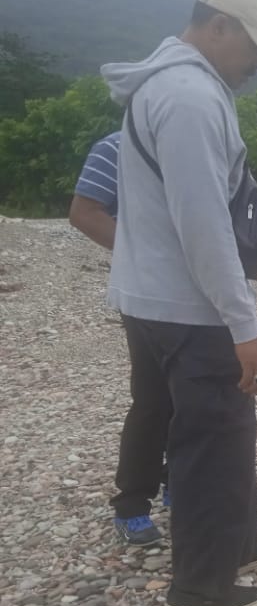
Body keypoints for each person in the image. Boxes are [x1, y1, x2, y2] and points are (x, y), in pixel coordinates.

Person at [101, 0, 257, 606]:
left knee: (214, 434)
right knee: (213, 442)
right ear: (221, 27)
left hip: (150, 300)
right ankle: (203, 587)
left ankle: (235, 545)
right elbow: (203, 222)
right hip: (193, 310)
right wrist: (245, 325)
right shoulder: (189, 97)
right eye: (254, 50)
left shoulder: (163, 84)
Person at [69, 132, 173, 547]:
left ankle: (179, 482)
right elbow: (84, 211)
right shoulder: (115, 147)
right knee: (152, 399)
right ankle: (132, 503)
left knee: (194, 396)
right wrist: (143, 253)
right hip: (145, 293)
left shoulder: (193, 141)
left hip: (199, 293)